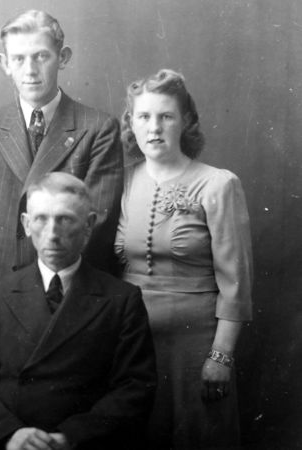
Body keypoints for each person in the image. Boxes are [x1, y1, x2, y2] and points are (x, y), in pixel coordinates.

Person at [0, 172, 157, 450]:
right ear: (26, 224)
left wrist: (71, 436)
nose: (52, 235)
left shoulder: (121, 299)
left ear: (88, 225)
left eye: (65, 219)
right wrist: (9, 434)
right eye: (41, 219)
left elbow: (135, 388)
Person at [0, 10, 124, 338]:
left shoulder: (98, 128)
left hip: (68, 299)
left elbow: (95, 225)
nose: (30, 70)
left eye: (41, 56)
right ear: (4, 63)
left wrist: (50, 295)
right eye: (18, 59)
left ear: (63, 57)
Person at [114, 69, 253, 448]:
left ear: (185, 121)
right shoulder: (121, 181)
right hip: (132, 347)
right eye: (144, 116)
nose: (154, 127)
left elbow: (235, 283)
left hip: (196, 346)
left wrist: (221, 356)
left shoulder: (218, 184)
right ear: (131, 123)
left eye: (166, 116)